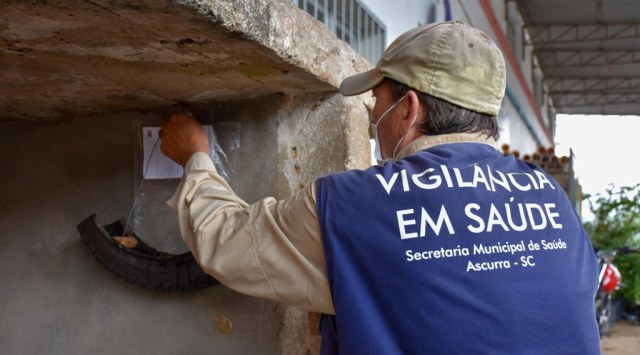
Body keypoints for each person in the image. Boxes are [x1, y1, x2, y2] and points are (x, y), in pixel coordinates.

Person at [160, 21, 600, 354]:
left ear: (408, 109)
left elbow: (228, 243)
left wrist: (196, 156)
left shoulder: (353, 205)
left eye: (377, 103)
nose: (374, 121)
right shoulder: (551, 199)